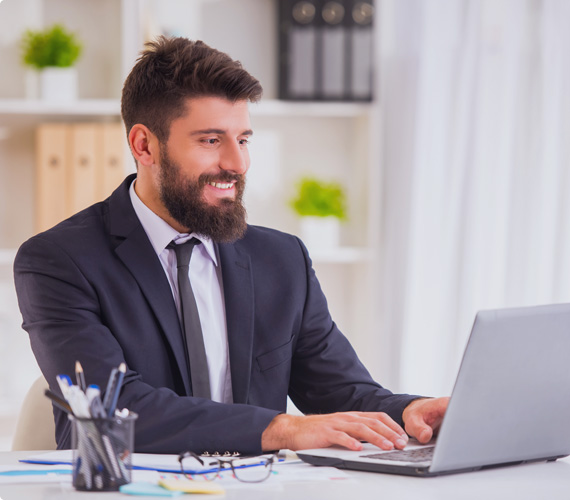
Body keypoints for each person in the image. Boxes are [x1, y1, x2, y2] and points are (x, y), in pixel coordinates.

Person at [14, 36, 448, 455]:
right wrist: (280, 429)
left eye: (243, 140)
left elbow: (335, 389)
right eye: (210, 140)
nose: (237, 164)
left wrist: (407, 410)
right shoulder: (59, 261)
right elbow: (108, 410)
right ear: (144, 145)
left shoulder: (282, 260)